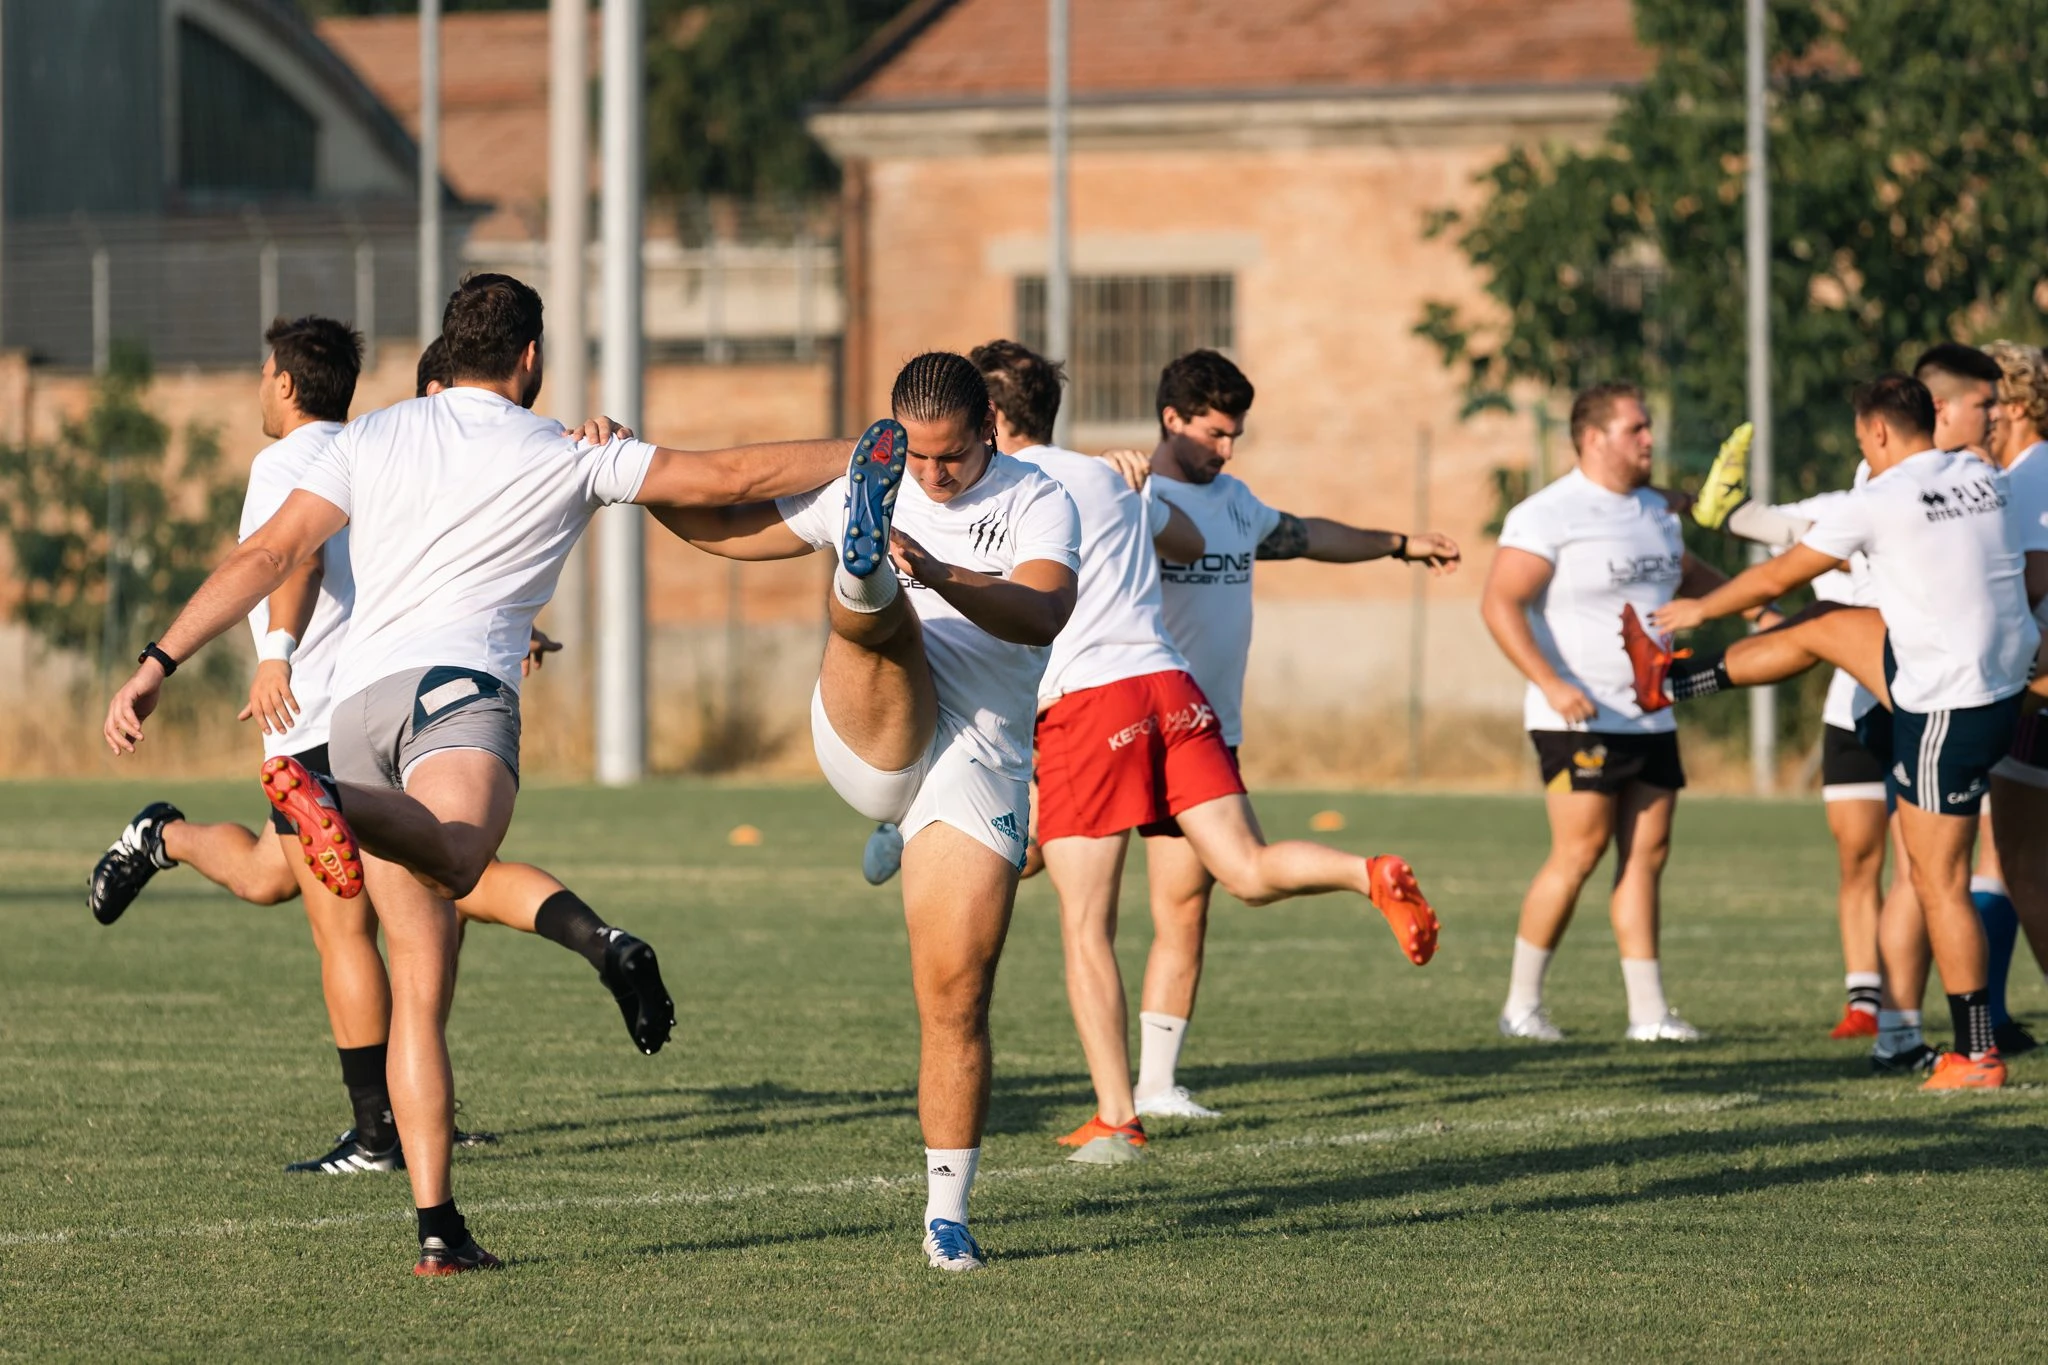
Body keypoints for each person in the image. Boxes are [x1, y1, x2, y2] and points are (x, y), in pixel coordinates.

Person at [100, 274, 856, 1275]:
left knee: (418, 985)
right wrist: (861, 447)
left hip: (357, 713)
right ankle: (337, 804)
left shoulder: (369, 437)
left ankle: (438, 1227)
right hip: (455, 700)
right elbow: (727, 478)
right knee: (459, 861)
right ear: (531, 358)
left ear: (449, 349)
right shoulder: (564, 452)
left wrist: (158, 662)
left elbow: (270, 554)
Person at [87, 322, 666, 1176]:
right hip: (380, 711)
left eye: (262, 374)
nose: (259, 387)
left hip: (326, 718)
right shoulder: (386, 443)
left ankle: (379, 1132)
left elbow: (295, 561)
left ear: (286, 384)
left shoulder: (299, 461)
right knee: (374, 882)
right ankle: (161, 837)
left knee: (360, 919)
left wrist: (274, 653)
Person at [649, 352, 1083, 1271]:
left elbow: (1044, 611)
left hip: (976, 761)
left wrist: (940, 569)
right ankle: (862, 576)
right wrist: (625, 484)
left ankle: (946, 1216)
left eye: (950, 456)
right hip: (868, 732)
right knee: (881, 616)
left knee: (955, 992)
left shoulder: (1038, 498)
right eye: (915, 457)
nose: (932, 473)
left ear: (990, 428)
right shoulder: (871, 479)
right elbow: (721, 526)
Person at [1637, 372, 2041, 1088]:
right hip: (1989, 683)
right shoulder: (1981, 475)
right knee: (1827, 624)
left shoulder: (1880, 499)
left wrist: (1697, 610)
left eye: (1863, 439)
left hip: (1948, 707)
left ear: (1878, 432)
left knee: (1937, 881)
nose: (1864, 452)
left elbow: (1776, 578)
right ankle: (1670, 684)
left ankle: (1976, 1054)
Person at [1128, 348, 1459, 1116]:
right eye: (1214, 433)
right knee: (1035, 849)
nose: (1227, 449)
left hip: (1201, 733)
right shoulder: (1129, 499)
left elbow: (1308, 534)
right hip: (1130, 721)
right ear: (1171, 419)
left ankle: (1156, 1086)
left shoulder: (1236, 503)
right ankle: (912, 832)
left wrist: (1399, 544)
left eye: (1236, 434)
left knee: (1185, 906)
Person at [1482, 382, 1749, 1044]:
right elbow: (1499, 602)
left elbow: (1686, 572)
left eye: (1648, 426)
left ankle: (1649, 1014)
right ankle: (1521, 1007)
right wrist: (1551, 683)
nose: (1650, 438)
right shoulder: (1549, 514)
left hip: (1652, 713)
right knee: (1579, 853)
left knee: (1647, 856)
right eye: (1636, 428)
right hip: (1578, 715)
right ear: (1593, 437)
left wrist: (1757, 606)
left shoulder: (1656, 510)